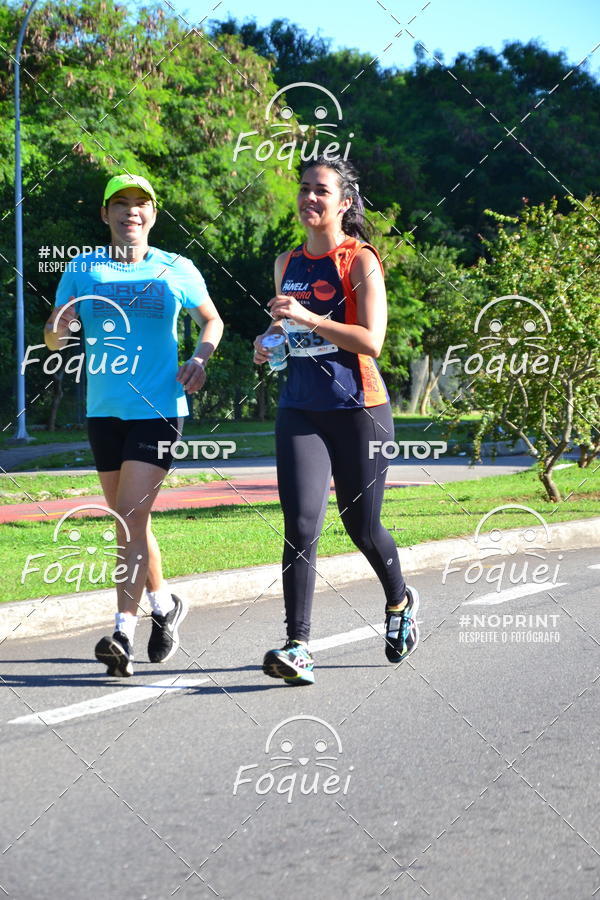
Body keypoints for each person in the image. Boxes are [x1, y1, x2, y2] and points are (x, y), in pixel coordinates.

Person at [45, 173, 223, 677]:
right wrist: (60, 328)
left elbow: (212, 320)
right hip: (104, 410)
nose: (131, 211)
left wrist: (200, 358)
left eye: (140, 203)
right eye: (120, 203)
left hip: (159, 409)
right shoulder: (83, 268)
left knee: (127, 517)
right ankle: (164, 605)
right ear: (105, 214)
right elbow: (57, 334)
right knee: (130, 519)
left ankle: (122, 630)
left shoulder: (176, 267)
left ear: (153, 214)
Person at [253, 156, 419, 686]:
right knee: (301, 525)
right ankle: (298, 645)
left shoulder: (360, 259)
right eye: (304, 188)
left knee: (362, 527)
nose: (309, 197)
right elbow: (285, 333)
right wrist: (267, 341)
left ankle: (399, 601)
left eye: (321, 190)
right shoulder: (285, 263)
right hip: (300, 408)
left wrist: (307, 317)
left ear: (344, 202)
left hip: (359, 411)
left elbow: (371, 341)